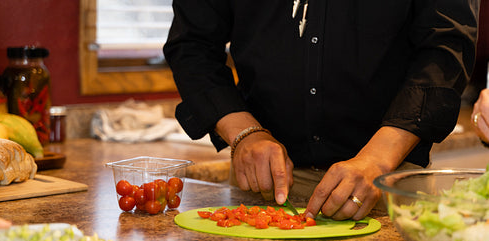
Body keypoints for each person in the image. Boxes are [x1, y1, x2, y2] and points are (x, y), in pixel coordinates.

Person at [164, 1, 480, 220]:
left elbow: (448, 48)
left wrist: (377, 160)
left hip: (389, 182)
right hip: (264, 185)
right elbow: (192, 44)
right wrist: (244, 133)